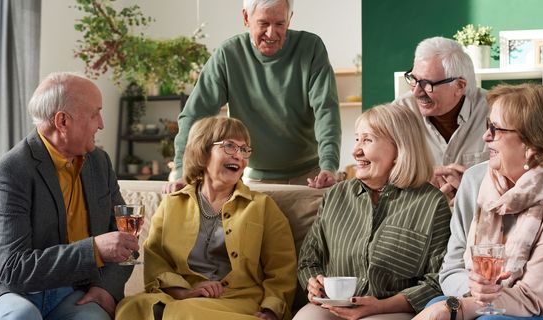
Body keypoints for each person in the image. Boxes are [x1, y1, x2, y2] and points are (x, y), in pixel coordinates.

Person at [415, 83, 543, 320]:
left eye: (495, 129)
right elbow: (451, 270)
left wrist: (461, 308)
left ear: (532, 143)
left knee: (489, 318)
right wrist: (473, 296)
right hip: (481, 299)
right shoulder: (475, 180)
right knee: (435, 305)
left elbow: (535, 297)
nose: (485, 136)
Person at [116, 116, 297, 320]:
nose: (239, 156)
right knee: (130, 308)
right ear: (203, 152)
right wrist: (184, 292)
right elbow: (156, 260)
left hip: (236, 302)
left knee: (180, 314)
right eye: (229, 146)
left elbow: (282, 269)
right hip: (181, 298)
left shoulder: (262, 206)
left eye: (244, 149)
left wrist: (271, 311)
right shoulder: (172, 204)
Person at [0, 72, 138, 319]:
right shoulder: (11, 171)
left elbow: (126, 241)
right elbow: (13, 269)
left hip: (75, 289)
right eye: (95, 113)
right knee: (22, 315)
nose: (101, 123)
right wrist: (93, 250)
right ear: (62, 121)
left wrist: (106, 288)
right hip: (16, 291)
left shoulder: (99, 162)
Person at [295, 104, 452, 320]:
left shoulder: (432, 204)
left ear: (399, 149)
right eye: (357, 139)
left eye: (367, 140)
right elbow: (308, 260)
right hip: (333, 307)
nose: (355, 150)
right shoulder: (335, 196)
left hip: (393, 310)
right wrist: (313, 283)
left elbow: (439, 279)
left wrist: (380, 306)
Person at [168, 0, 341, 192]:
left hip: (310, 176)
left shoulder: (311, 48)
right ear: (246, 18)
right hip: (253, 178)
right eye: (264, 24)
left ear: (289, 19)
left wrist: (329, 166)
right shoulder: (228, 55)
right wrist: (182, 172)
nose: (271, 33)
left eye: (279, 24)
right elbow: (194, 116)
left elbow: (327, 111)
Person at [395, 36, 489, 205]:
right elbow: (381, 170)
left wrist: (473, 185)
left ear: (459, 86)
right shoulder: (400, 111)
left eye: (426, 84)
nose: (416, 92)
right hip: (420, 216)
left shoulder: (495, 111)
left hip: (479, 216)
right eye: (414, 79)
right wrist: (421, 176)